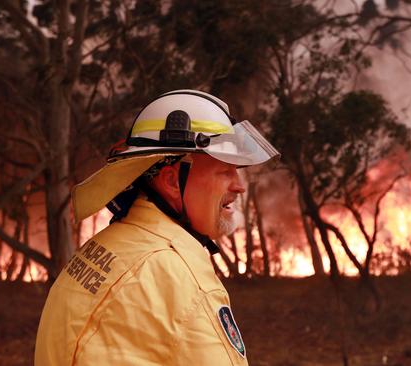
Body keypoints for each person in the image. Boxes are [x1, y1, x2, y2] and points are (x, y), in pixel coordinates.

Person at [34, 90, 279, 365]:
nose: (239, 185)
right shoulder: (183, 281)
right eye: (224, 171)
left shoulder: (101, 247)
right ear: (173, 181)